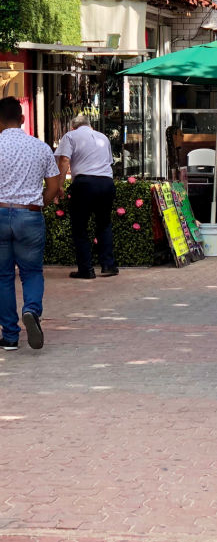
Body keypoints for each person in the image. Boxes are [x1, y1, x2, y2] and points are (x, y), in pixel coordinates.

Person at [0, 97, 60, 351]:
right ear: (22, 118)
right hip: (30, 214)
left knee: (2, 277)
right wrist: (39, 205)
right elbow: (55, 185)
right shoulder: (40, 147)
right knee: (32, 272)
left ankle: (10, 336)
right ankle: (32, 311)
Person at [54, 114, 117, 279]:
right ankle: (109, 265)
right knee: (104, 223)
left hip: (84, 183)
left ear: (73, 127)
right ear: (90, 126)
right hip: (106, 182)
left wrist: (59, 185)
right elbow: (108, 161)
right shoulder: (103, 137)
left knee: (80, 227)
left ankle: (86, 269)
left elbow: (64, 160)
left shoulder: (70, 136)